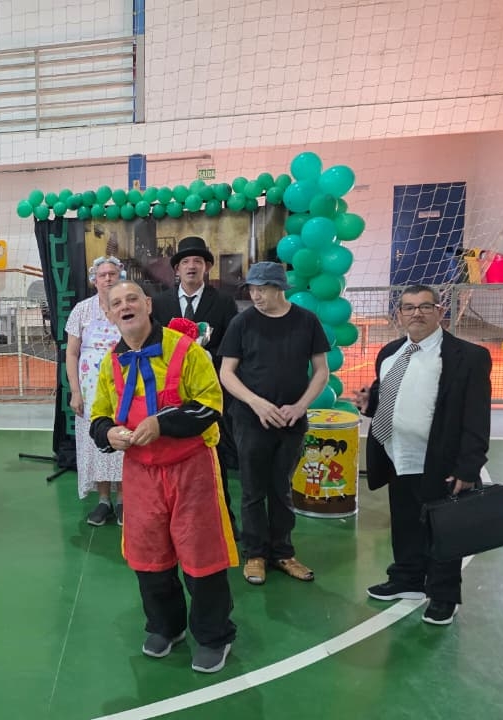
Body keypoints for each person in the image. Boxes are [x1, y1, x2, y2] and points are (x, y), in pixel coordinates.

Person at [88, 281, 237, 673]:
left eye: (132, 298)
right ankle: (165, 626)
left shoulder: (186, 350)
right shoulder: (111, 363)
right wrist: (109, 433)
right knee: (148, 556)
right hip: (140, 474)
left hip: (192, 469)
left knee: (201, 556)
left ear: (148, 304)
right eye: (116, 303)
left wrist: (163, 423)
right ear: (110, 315)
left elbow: (210, 405)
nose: (125, 306)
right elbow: (99, 415)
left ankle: (214, 635)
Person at [355, 285, 491, 625]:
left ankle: (444, 595)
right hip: (397, 455)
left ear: (439, 312)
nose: (417, 313)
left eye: (425, 306)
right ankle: (408, 578)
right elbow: (389, 396)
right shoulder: (390, 352)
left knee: (443, 529)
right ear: (399, 314)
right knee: (404, 522)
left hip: (439, 460)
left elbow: (477, 417)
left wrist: (469, 467)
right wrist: (369, 405)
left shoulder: (467, 357)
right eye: (409, 307)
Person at [218, 262, 329, 586]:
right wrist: (256, 403)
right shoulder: (242, 323)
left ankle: (282, 552)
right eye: (252, 289)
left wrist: (300, 406)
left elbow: (321, 370)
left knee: (281, 487)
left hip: (291, 419)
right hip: (251, 420)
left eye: (262, 289)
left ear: (279, 288)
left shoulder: (307, 321)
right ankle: (255, 554)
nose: (256, 295)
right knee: (252, 488)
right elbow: (227, 373)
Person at [152, 237, 240, 528]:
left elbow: (233, 345)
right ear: (177, 269)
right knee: (171, 454)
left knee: (215, 454)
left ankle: (224, 518)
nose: (192, 266)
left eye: (198, 261)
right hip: (170, 392)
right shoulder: (160, 303)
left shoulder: (223, 302)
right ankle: (174, 520)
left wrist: (206, 357)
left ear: (207, 267)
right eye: (186, 262)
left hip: (209, 390)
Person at [65, 256, 126, 526]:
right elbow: (71, 353)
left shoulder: (127, 306)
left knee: (122, 442)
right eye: (102, 275)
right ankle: (103, 501)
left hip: (123, 390)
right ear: (94, 280)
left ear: (120, 277)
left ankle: (123, 501)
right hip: (90, 394)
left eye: (113, 273)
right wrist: (75, 392)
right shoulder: (81, 310)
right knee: (96, 442)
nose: (108, 278)